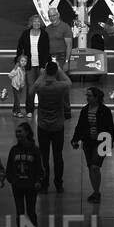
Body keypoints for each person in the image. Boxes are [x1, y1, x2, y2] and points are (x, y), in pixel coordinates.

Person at [32, 61, 73, 193]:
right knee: (58, 156)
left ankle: (44, 184)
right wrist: (60, 70)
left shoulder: (41, 86)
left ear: (45, 72)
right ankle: (58, 184)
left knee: (44, 157)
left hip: (43, 126)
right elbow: (69, 82)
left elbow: (32, 88)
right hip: (57, 126)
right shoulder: (61, 86)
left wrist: (43, 74)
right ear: (56, 72)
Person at [70, 86, 114, 203]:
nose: (87, 98)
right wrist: (75, 139)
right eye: (87, 95)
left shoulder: (105, 111)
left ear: (96, 97)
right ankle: (96, 191)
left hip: (102, 142)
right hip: (88, 142)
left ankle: (96, 192)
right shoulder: (85, 110)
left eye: (89, 95)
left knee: (95, 166)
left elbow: (110, 128)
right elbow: (80, 127)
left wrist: (109, 144)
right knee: (91, 167)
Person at [6, 122, 43, 227]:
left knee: (31, 212)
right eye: (16, 132)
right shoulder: (14, 150)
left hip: (31, 187)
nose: (17, 134)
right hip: (17, 187)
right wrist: (11, 179)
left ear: (27, 133)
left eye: (20, 131)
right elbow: (9, 167)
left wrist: (38, 181)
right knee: (20, 213)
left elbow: (40, 168)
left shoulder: (35, 150)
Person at [15, 15, 51, 113]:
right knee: (30, 89)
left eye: (39, 22)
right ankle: (29, 110)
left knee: (41, 88)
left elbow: (47, 51)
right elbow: (19, 48)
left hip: (41, 66)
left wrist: (44, 66)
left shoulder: (44, 34)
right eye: (35, 21)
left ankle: (42, 109)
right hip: (29, 66)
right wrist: (18, 62)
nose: (37, 23)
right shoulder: (25, 34)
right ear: (31, 23)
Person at [9, 53, 29, 118]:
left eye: (25, 61)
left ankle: (14, 111)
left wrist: (22, 85)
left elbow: (23, 78)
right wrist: (15, 80)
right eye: (22, 61)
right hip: (15, 86)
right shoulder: (17, 68)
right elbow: (10, 75)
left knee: (16, 99)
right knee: (17, 99)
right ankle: (18, 112)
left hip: (20, 86)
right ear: (19, 61)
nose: (23, 62)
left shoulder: (23, 69)